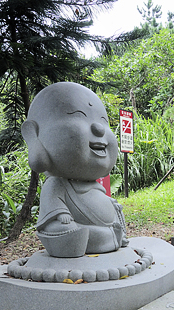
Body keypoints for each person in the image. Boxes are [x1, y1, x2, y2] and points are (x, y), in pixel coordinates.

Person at [22, 82, 128, 257]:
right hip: (80, 233)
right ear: (35, 135)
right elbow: (52, 209)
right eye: (79, 116)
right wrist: (61, 215)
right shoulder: (56, 184)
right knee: (65, 230)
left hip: (106, 232)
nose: (99, 128)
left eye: (103, 121)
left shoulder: (93, 184)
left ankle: (112, 236)